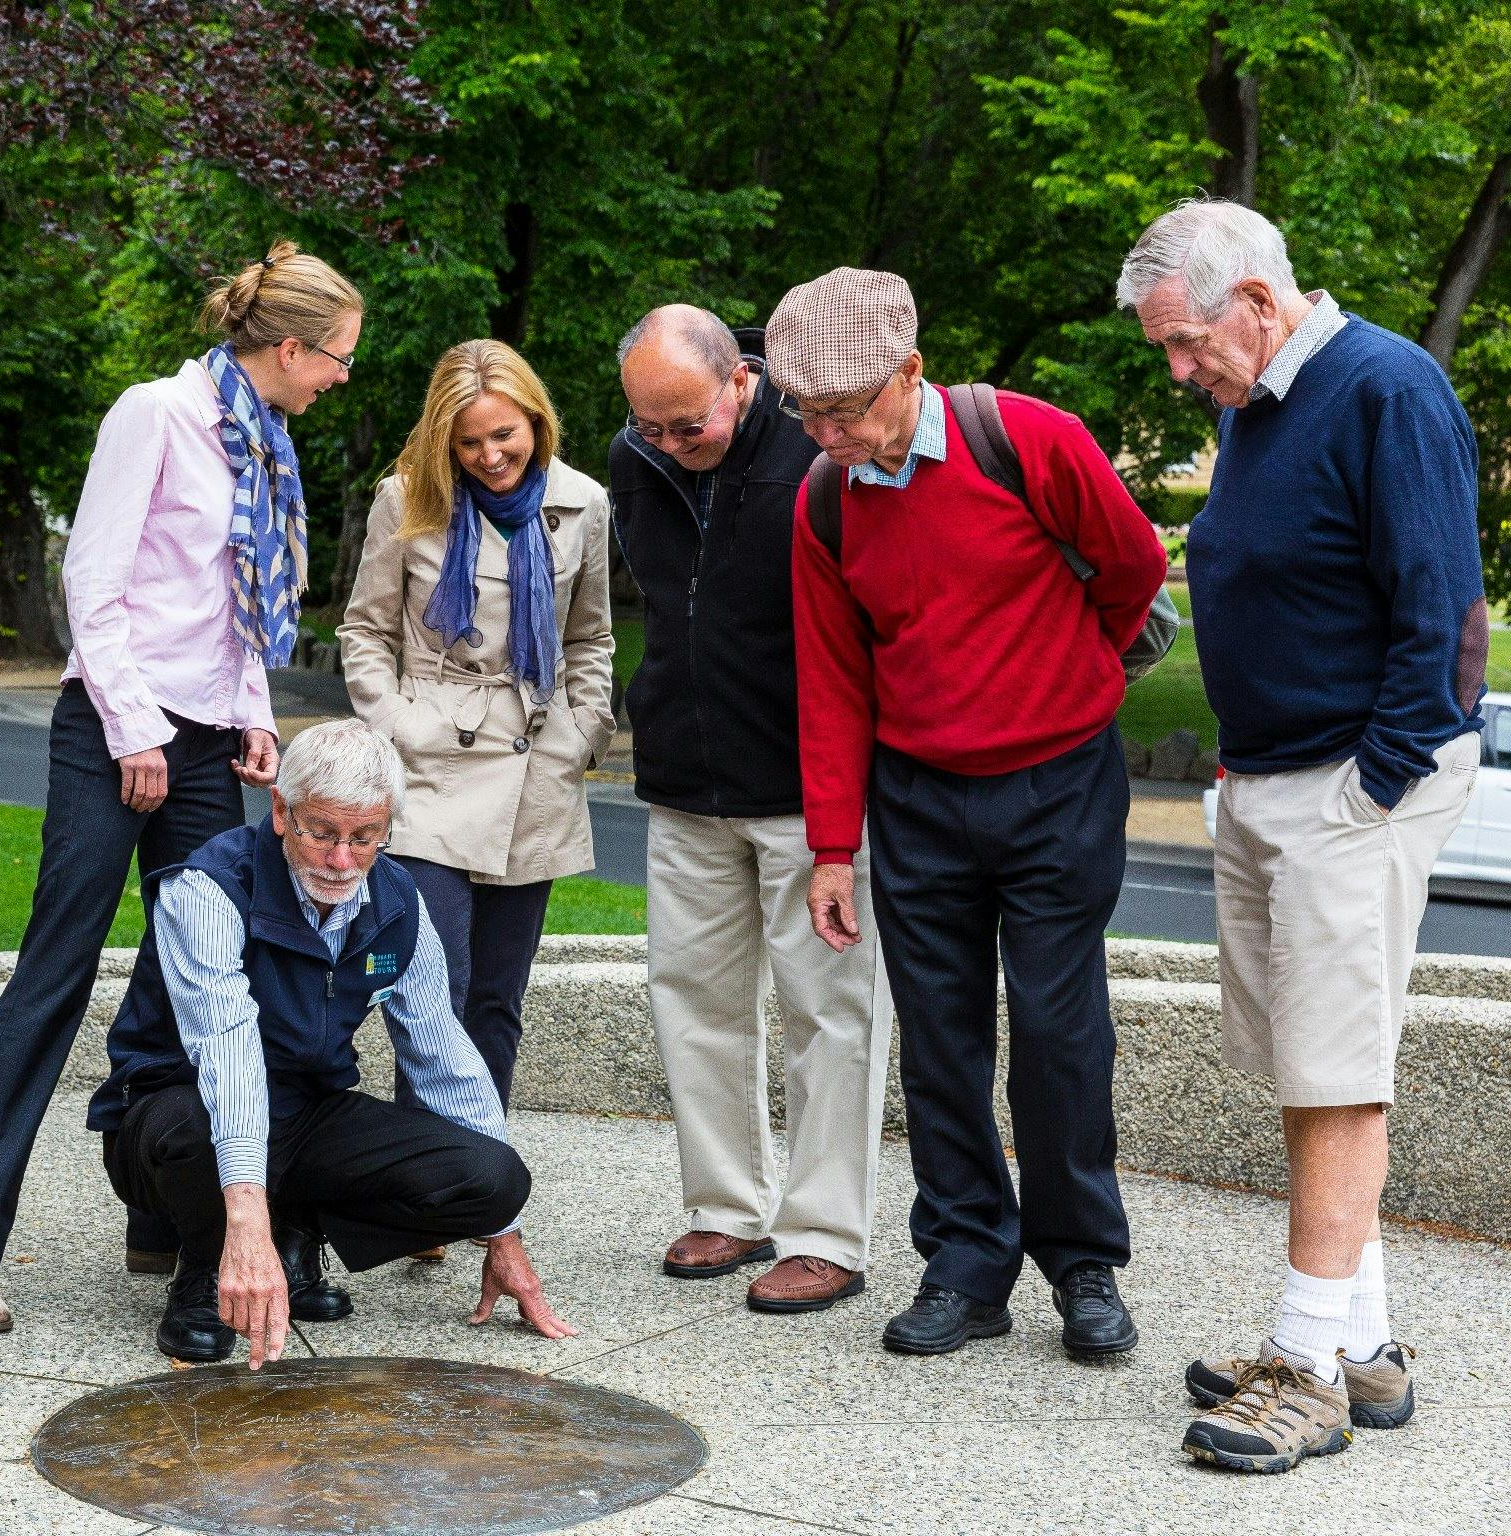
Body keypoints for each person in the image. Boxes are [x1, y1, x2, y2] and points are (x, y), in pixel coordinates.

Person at [0, 243, 364, 1333]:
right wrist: (135, 728)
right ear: (292, 346)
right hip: (116, 728)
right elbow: (96, 581)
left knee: (196, 977)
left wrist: (255, 718)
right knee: (57, 971)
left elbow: (239, 604)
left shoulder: (261, 444)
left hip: (210, 735)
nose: (343, 378)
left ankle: (161, 1208)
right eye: (340, 359)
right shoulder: (153, 415)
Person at [1119, 200, 1487, 1474]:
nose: (1178, 371)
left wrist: (1371, 786)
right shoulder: (1255, 403)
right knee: (1300, 1061)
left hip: (1355, 780)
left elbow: (1441, 607)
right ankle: (1364, 1345)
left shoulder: (1388, 387)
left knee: (1337, 1073)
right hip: (1273, 774)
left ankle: (1305, 1364)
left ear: (1258, 304)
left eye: (1183, 342)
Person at [774, 267, 1167, 1362]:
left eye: (844, 410)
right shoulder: (822, 501)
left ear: (910, 373)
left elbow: (1133, 566)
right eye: (806, 413)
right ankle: (963, 1264)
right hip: (918, 795)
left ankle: (1082, 1261)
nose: (826, 432)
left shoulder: (1030, 439)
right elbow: (833, 678)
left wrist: (1073, 668)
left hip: (1059, 782)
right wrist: (832, 848)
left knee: (1057, 1032)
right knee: (939, 1041)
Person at [88, 720, 576, 1365]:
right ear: (282, 812)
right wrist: (244, 1226)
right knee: (193, 1129)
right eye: (323, 834)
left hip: (305, 1109)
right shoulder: (208, 888)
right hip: (180, 1107)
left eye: (365, 837)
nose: (343, 861)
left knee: (493, 1179)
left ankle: (295, 1233)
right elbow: (227, 1054)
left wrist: (503, 1239)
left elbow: (444, 1059)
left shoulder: (397, 899)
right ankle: (208, 1270)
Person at [608, 305, 894, 1310]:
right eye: (651, 426)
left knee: (830, 1011)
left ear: (744, 381)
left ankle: (825, 1232)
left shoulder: (820, 453)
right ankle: (727, 1207)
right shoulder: (636, 460)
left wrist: (844, 812)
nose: (672, 445)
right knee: (692, 1000)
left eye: (689, 424)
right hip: (685, 779)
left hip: (808, 792)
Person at [338, 339, 615, 1111]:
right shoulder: (407, 499)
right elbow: (365, 630)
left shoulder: (582, 503)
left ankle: (475, 1173)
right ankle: (422, 1167)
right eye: (470, 441)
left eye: (505, 435)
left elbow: (590, 636)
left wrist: (581, 731)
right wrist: (392, 723)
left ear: (536, 421)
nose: (491, 455)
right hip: (432, 760)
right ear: (444, 440)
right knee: (432, 983)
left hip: (535, 764)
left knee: (497, 996)